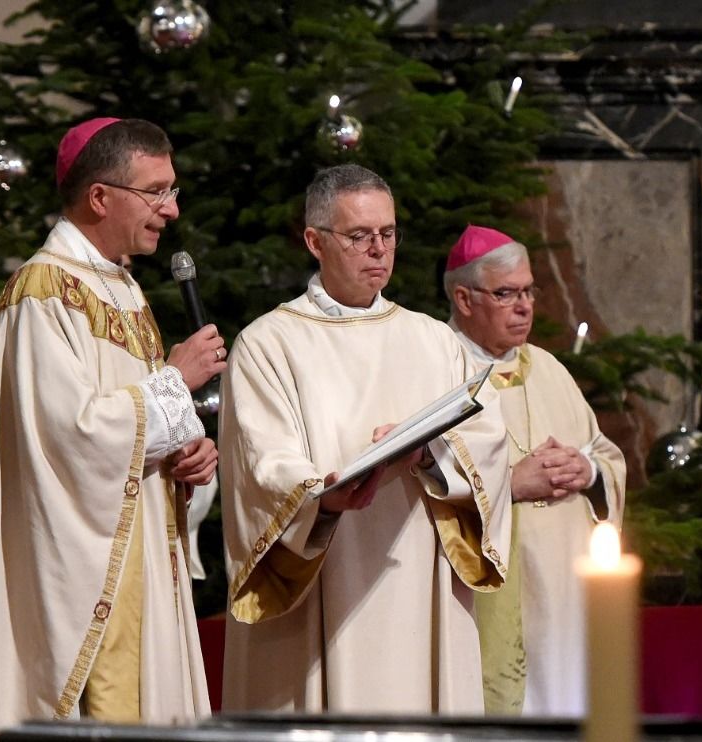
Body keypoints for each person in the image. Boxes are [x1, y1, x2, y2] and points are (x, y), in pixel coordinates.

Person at [0, 118, 226, 741]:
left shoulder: (123, 289)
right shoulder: (44, 291)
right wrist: (175, 382)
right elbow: (67, 438)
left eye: (172, 190)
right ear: (100, 197)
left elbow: (136, 430)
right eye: (156, 191)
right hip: (87, 563)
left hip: (142, 549)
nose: (172, 209)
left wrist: (189, 458)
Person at [219, 164, 512, 714]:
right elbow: (260, 465)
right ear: (315, 241)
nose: (379, 249)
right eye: (359, 236)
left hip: (420, 575)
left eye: (389, 233)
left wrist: (428, 454)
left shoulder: (434, 341)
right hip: (323, 576)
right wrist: (320, 497)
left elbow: (488, 444)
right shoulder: (268, 344)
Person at [443, 224, 626, 716]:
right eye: (506, 294)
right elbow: (420, 488)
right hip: (482, 600)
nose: (525, 306)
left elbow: (607, 455)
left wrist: (587, 470)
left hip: (559, 603)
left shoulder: (549, 369)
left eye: (528, 291)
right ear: (464, 298)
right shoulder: (438, 372)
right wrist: (506, 485)